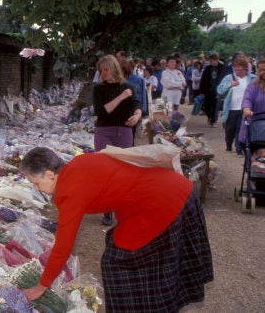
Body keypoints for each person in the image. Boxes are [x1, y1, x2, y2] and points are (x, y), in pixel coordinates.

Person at [19, 147, 214, 312]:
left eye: (36, 183)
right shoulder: (77, 165)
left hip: (163, 202)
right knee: (124, 247)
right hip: (174, 191)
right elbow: (120, 187)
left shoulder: (69, 190)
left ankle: (151, 305)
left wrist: (42, 286)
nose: (36, 189)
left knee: (118, 261)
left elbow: (63, 247)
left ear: (49, 174)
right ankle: (160, 301)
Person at [92, 55, 142, 226]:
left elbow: (136, 104)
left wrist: (137, 115)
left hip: (124, 131)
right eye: (101, 70)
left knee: (125, 169)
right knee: (106, 171)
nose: (103, 73)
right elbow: (102, 112)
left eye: (105, 69)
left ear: (113, 68)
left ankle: (122, 207)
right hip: (104, 131)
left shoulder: (128, 87)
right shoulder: (99, 89)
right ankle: (107, 210)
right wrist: (121, 97)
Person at [218, 58, 256, 157]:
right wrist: (230, 85)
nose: (236, 69)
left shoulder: (252, 78)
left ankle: (239, 149)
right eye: (235, 67)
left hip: (244, 108)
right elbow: (220, 90)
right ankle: (228, 144)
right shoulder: (229, 77)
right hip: (231, 108)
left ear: (244, 67)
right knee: (229, 129)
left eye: (238, 67)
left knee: (240, 129)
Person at [240, 58, 265, 146]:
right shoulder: (253, 85)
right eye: (261, 70)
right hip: (254, 129)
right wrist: (246, 109)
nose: (263, 72)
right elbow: (247, 98)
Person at [199, 52, 226, 127]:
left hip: (217, 90)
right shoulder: (207, 68)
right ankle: (209, 117)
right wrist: (201, 91)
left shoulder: (222, 68)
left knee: (215, 106)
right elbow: (203, 80)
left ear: (216, 60)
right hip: (208, 90)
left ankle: (214, 121)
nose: (210, 62)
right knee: (208, 106)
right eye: (210, 61)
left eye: (212, 61)